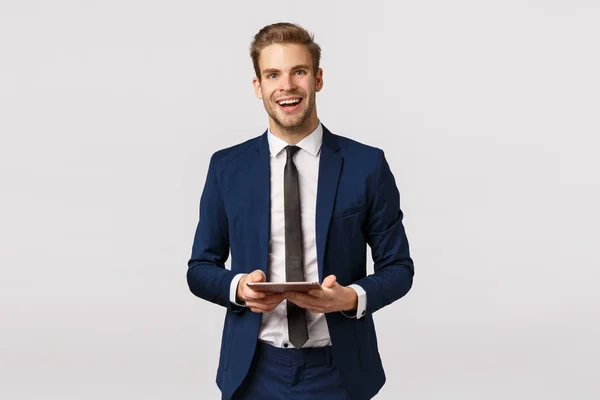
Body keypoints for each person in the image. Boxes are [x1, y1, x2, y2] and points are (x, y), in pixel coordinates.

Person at [187, 22, 414, 400]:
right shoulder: (226, 167)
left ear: (318, 78)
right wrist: (238, 289)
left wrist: (351, 297)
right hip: (253, 370)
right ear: (258, 86)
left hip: (339, 370)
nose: (287, 86)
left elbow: (399, 268)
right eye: (273, 74)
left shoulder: (366, 166)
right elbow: (200, 268)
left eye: (299, 72)